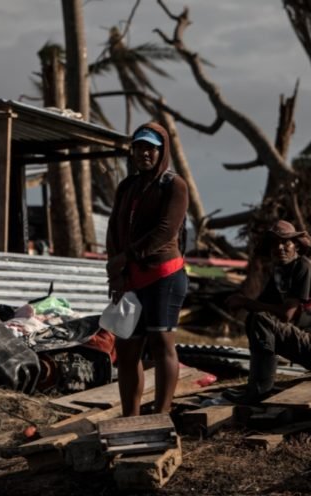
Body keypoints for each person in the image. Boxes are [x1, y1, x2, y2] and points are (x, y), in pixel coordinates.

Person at [105, 122, 189, 416]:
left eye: (150, 148)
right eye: (139, 147)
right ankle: (131, 417)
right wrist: (116, 271)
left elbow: (166, 230)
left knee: (162, 343)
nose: (144, 154)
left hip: (163, 276)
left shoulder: (174, 185)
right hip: (132, 278)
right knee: (127, 350)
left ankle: (161, 415)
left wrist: (126, 257)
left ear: (161, 150)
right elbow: (114, 227)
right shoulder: (128, 186)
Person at [224, 220, 311, 403]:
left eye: (285, 243)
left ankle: (259, 391)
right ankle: (259, 387)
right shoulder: (280, 272)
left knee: (261, 319)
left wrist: (244, 302)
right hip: (308, 342)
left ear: (295, 246)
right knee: (254, 319)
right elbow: (261, 304)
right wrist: (241, 301)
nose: (280, 248)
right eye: (274, 244)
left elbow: (285, 314)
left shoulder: (304, 267)